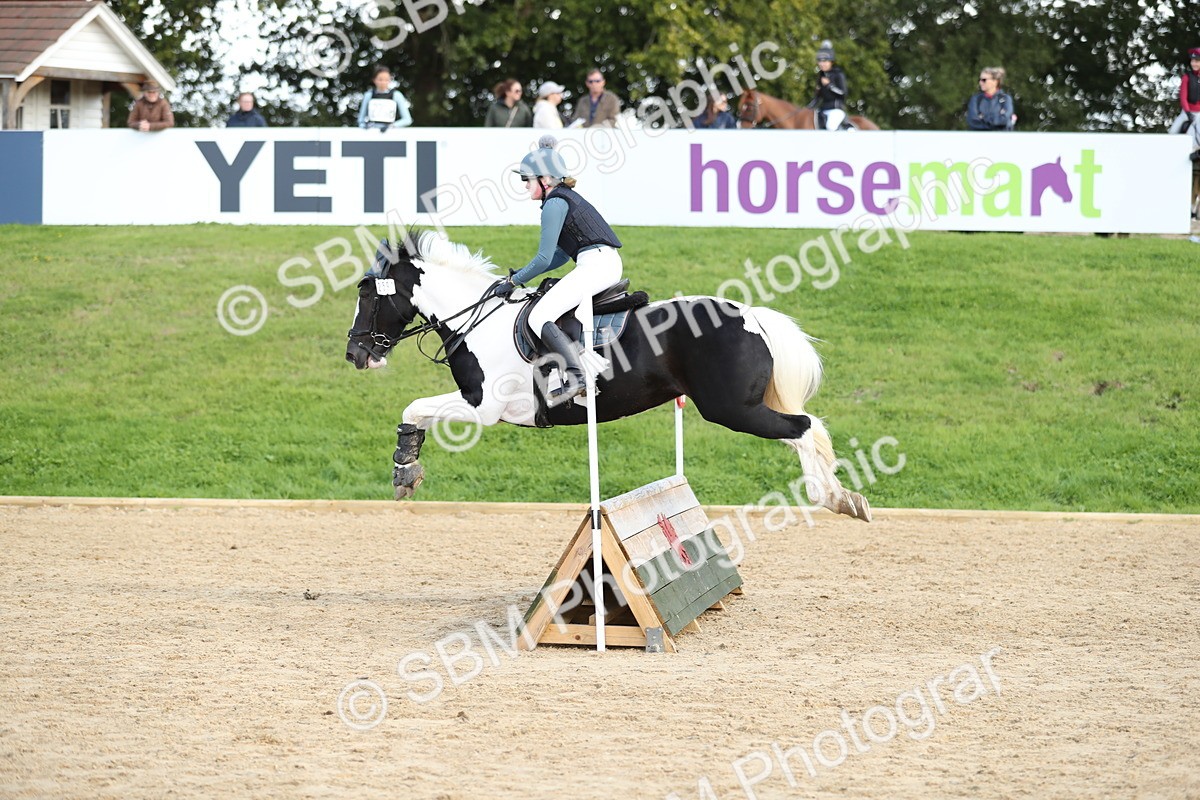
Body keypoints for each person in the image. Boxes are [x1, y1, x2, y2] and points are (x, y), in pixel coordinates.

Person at [493, 136, 623, 404]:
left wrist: (514, 281)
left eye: (527, 179)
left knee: (538, 316)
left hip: (597, 264)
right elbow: (560, 256)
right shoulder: (564, 198)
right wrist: (519, 274)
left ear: (546, 179)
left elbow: (542, 258)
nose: (526, 185)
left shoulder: (554, 203)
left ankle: (577, 377)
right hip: (600, 261)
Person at [357, 65, 413, 131]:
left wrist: (392, 126)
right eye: (380, 79)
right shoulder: (368, 95)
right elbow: (361, 120)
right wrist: (365, 127)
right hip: (372, 133)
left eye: (386, 80)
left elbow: (407, 119)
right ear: (374, 80)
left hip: (391, 133)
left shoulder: (396, 95)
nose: (383, 82)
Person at [1167, 47, 1200, 152]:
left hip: (1199, 114)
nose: (1194, 63)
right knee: (1172, 133)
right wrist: (1188, 113)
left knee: (1193, 137)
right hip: (1187, 112)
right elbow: (1183, 97)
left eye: (1197, 61)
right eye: (1192, 61)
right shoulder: (1187, 77)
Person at [810, 41, 848, 131]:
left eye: (825, 61)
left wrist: (829, 85)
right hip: (823, 110)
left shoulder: (838, 74)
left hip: (836, 110)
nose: (821, 64)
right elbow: (817, 98)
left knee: (830, 127)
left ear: (831, 62)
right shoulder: (821, 76)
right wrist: (807, 109)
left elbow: (843, 93)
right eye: (820, 61)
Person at [966, 67, 1017, 131]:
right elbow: (973, 122)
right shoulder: (976, 100)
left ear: (995, 81)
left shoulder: (1005, 99)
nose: (980, 83)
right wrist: (996, 122)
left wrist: (983, 118)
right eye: (980, 80)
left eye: (984, 80)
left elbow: (1005, 120)